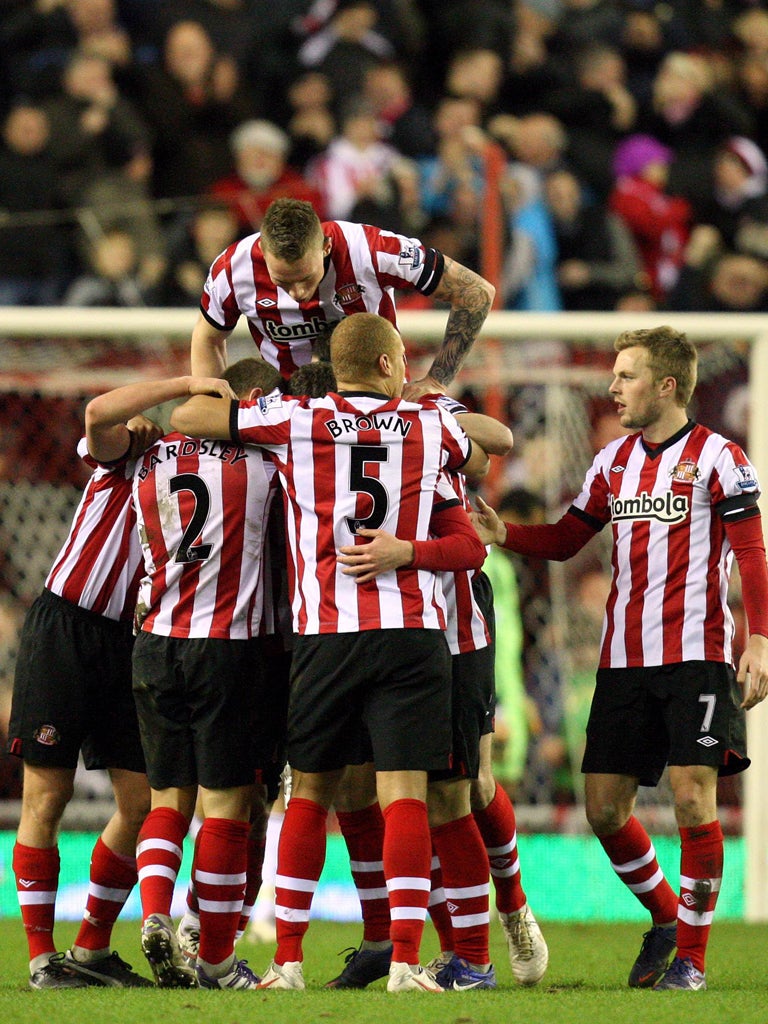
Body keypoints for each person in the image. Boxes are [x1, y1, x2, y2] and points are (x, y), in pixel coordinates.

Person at [171, 311, 488, 993]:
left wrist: (236, 399)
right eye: (403, 358)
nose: (408, 369)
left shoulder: (297, 418)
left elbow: (189, 422)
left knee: (309, 793)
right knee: (402, 792)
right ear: (385, 364)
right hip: (412, 634)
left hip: (326, 636)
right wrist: (411, 545)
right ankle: (406, 960)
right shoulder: (429, 427)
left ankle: (287, 962)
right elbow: (480, 457)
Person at [472, 325, 768, 991]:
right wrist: (506, 533)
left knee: (694, 798)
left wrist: (759, 638)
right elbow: (569, 536)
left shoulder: (722, 457)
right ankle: (666, 918)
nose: (612, 387)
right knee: (604, 810)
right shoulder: (613, 461)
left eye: (626, 375)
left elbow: (751, 551)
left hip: (698, 656)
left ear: (667, 385)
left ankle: (690, 961)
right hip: (623, 662)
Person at [84, 362, 287, 991]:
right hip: (228, 648)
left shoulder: (147, 460)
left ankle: (153, 916)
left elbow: (97, 417)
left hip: (155, 645)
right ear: (248, 403)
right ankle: (219, 963)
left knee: (168, 800)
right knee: (227, 806)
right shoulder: (265, 469)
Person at [6, 413, 163, 989]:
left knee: (141, 799)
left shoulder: (215, 481)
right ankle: (42, 960)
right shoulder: (127, 457)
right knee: (47, 795)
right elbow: (99, 414)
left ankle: (91, 951)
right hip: (66, 627)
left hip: (130, 642)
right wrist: (178, 389)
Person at [190, 196, 495, 398]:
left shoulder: (370, 249)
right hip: (289, 414)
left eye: (307, 278)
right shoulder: (233, 269)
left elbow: (476, 291)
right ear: (264, 254)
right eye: (283, 281)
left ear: (325, 247)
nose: (298, 294)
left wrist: (437, 380)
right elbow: (207, 338)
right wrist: (213, 403)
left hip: (379, 409)